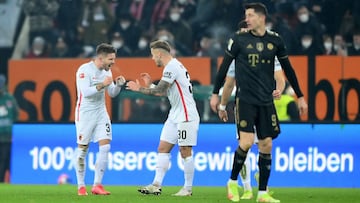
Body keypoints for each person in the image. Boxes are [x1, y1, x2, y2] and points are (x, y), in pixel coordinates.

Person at [212, 3, 308, 202]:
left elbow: (288, 70)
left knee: (266, 144)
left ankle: (262, 193)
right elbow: (224, 70)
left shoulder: (275, 41)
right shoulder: (238, 39)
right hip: (245, 99)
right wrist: (216, 95)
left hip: (265, 101)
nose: (247, 19)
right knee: (246, 143)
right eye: (245, 15)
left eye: (250, 15)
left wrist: (299, 96)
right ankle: (232, 181)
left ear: (261, 17)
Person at [126, 40, 200, 196]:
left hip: (186, 114)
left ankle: (187, 189)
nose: (153, 59)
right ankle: (156, 184)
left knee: (185, 150)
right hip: (175, 114)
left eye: (153, 55)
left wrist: (140, 88)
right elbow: (164, 92)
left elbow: (160, 90)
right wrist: (150, 86)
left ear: (159, 54)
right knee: (162, 148)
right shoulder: (173, 66)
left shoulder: (172, 66)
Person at [210, 56, 285, 200]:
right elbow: (229, 83)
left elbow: (280, 77)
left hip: (264, 106)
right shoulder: (239, 52)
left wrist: (279, 90)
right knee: (245, 144)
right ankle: (247, 188)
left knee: (265, 144)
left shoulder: (271, 50)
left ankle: (262, 186)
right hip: (245, 105)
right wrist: (223, 105)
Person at [74, 43, 126, 196]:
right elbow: (85, 92)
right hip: (85, 114)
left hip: (101, 112)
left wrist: (118, 85)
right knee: (82, 151)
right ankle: (81, 186)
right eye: (111, 59)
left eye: (114, 58)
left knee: (106, 147)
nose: (113, 62)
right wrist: (102, 84)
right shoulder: (84, 70)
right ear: (101, 58)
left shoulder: (106, 72)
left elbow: (112, 93)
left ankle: (97, 185)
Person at [0, 74, 19, 183]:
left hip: (7, 137)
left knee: (6, 160)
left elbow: (16, 114)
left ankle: (5, 182)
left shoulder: (9, 98)